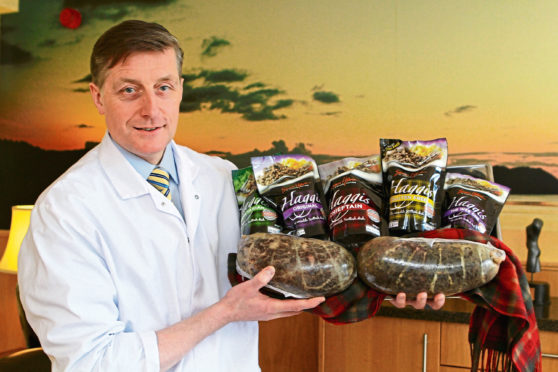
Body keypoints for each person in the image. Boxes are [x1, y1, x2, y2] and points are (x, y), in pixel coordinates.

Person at [18, 20, 444, 372]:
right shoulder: (64, 210)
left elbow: (308, 266)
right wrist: (223, 313)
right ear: (98, 97)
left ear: (180, 90)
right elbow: (90, 362)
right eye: (129, 90)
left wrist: (391, 283)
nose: (151, 109)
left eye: (163, 87)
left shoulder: (223, 177)